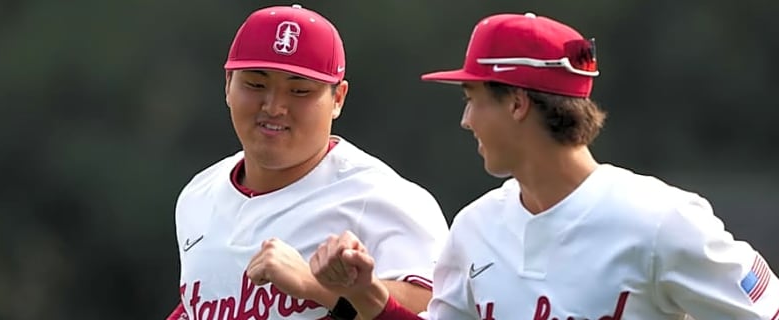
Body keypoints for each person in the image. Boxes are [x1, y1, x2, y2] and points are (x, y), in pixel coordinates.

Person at [299, 12, 779, 319]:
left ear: (517, 103)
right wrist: (364, 293)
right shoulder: (475, 228)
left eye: (472, 98)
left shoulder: (660, 220)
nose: (466, 121)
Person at [164, 4, 449, 320]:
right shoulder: (198, 195)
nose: (274, 107)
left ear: (337, 99)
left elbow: (439, 308)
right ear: (228, 84)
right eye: (256, 84)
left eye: (299, 90)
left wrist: (320, 288)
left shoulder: (385, 197)